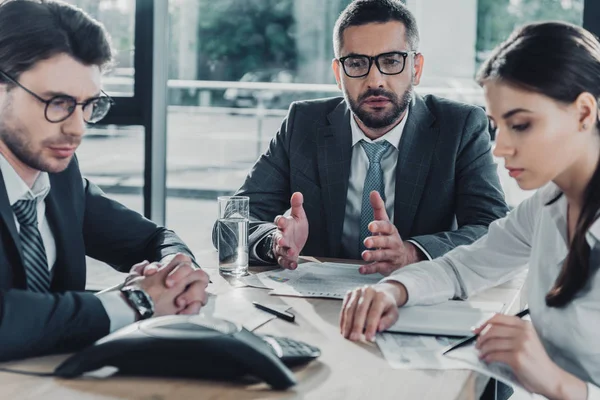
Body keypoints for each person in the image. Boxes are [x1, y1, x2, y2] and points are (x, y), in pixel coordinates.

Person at [340, 21, 600, 399]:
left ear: (583, 112)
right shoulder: (546, 206)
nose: (500, 147)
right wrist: (393, 289)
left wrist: (562, 385)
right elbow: (462, 267)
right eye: (497, 127)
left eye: (521, 125)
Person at [214, 0, 508, 274]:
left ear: (416, 69)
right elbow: (229, 226)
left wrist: (412, 253)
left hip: (416, 298)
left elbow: (493, 230)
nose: (375, 80)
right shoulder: (303, 123)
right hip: (315, 305)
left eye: (391, 61)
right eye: (356, 63)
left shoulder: (460, 127)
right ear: (338, 73)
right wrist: (275, 242)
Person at [0, 0, 209, 361]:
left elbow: (152, 238)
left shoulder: (60, 177)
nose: (77, 127)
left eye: (88, 105)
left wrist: (175, 273)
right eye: (59, 103)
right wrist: (136, 301)